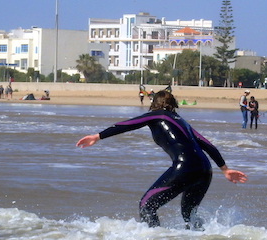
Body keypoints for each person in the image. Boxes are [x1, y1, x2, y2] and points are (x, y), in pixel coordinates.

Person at [75, 88, 247, 229]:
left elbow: (128, 124)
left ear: (154, 104)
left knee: (146, 205)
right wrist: (224, 169)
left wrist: (98, 136)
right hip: (205, 169)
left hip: (185, 167)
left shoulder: (158, 115)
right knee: (189, 215)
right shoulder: (183, 122)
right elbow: (208, 145)